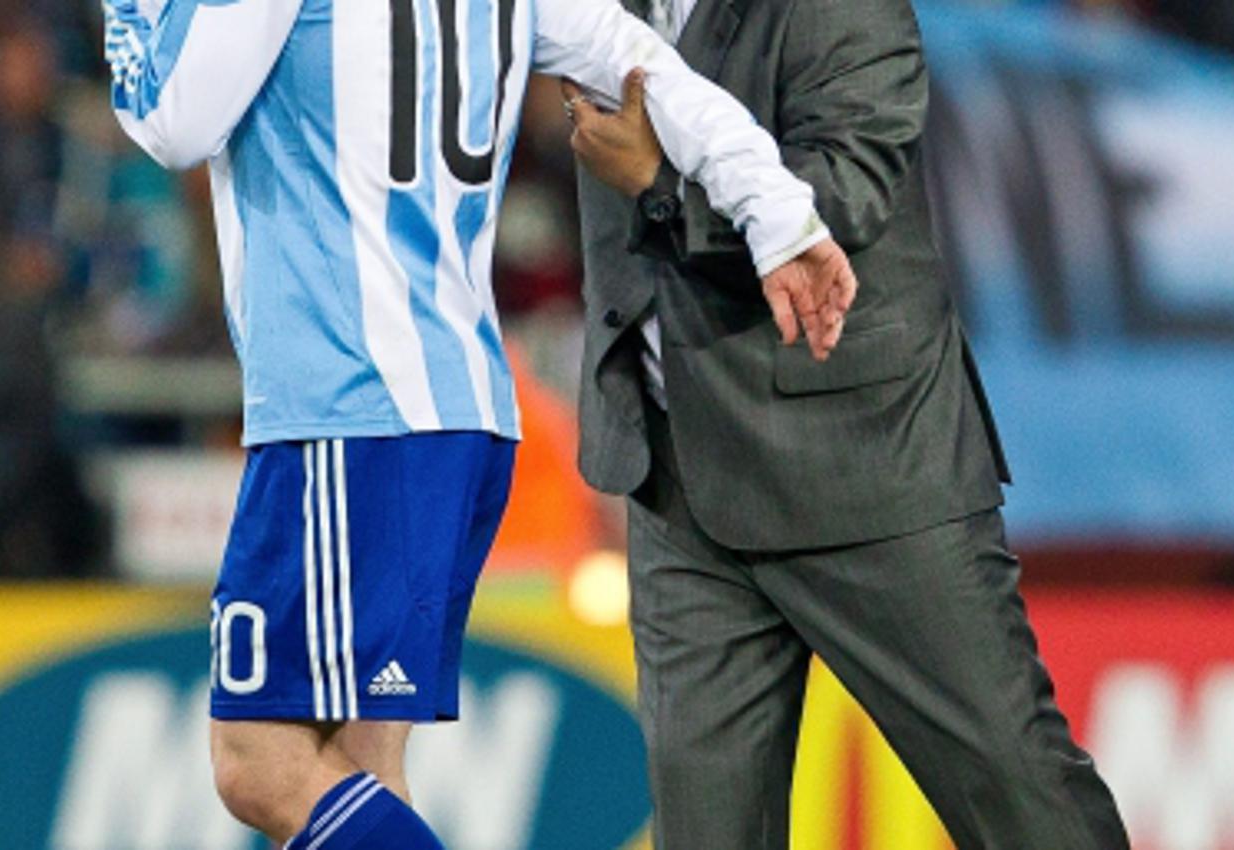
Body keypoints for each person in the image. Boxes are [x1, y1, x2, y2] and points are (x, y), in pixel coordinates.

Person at [102, 0, 853, 846]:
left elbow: (172, 120)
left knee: (260, 761)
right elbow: (650, 66)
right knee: (361, 766)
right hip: (461, 406)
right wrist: (780, 213)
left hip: (348, 404)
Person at [562, 0, 1131, 847]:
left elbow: (845, 193)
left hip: (863, 461)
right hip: (677, 473)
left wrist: (661, 186)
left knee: (1018, 801)